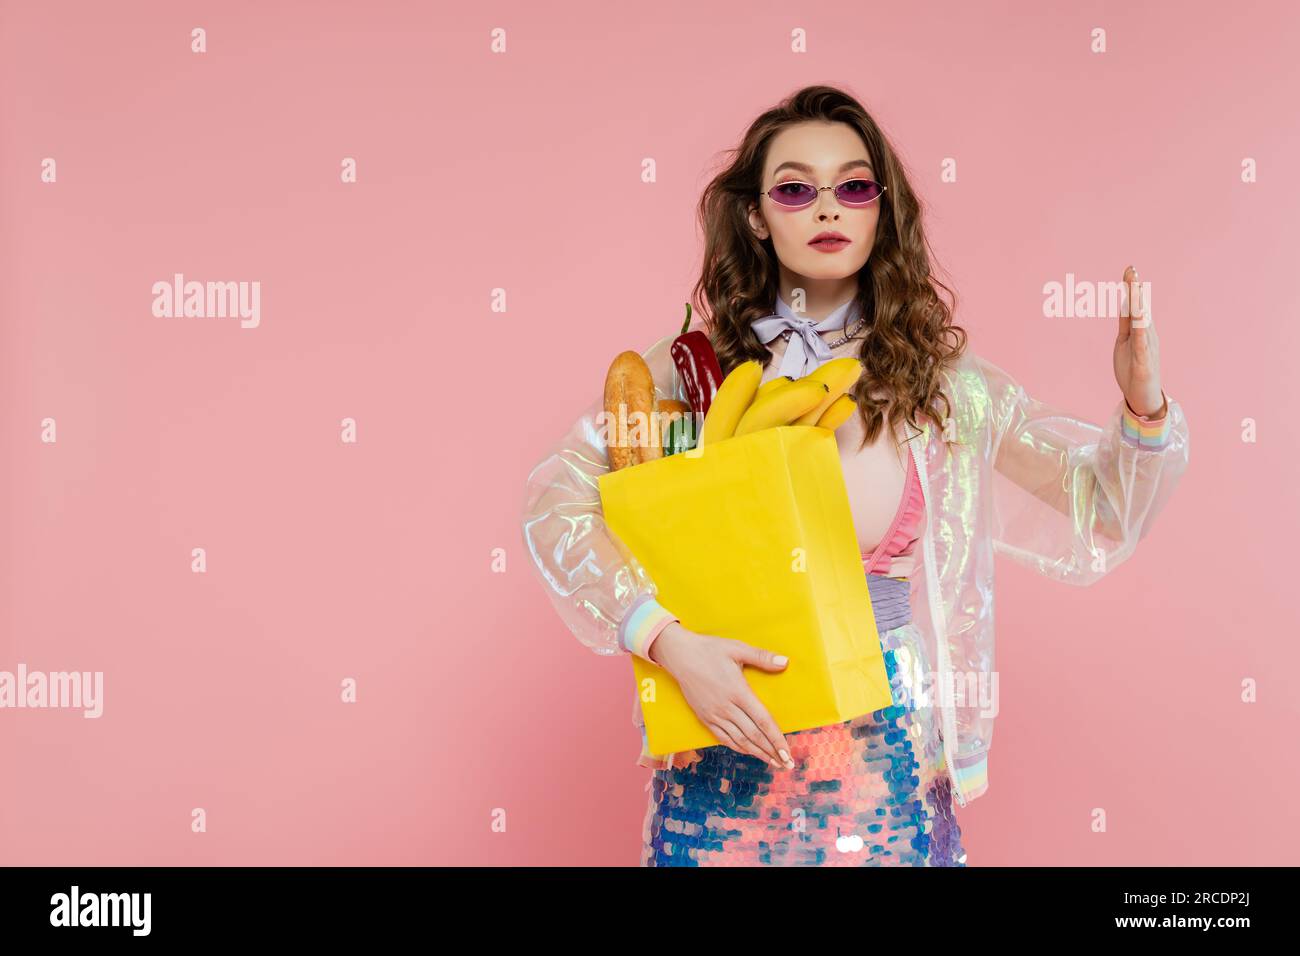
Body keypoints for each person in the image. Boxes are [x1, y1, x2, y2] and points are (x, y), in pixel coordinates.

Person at [519, 85, 1189, 866]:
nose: (828, 208)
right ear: (756, 217)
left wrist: (1143, 405)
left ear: (882, 211)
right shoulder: (690, 375)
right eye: (796, 188)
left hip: (882, 762)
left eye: (854, 186)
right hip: (724, 745)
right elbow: (555, 503)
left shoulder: (941, 385)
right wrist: (665, 642)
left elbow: (1097, 507)